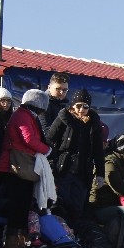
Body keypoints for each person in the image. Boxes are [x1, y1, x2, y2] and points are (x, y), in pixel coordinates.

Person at [0, 89, 52, 248]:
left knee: (22, 205)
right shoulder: (23, 115)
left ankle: (18, 241)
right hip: (14, 167)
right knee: (18, 206)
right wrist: (47, 150)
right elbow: (29, 139)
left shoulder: (24, 114)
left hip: (18, 166)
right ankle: (12, 243)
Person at [46, 88, 105, 225]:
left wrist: (100, 174)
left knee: (78, 206)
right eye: (78, 106)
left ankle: (75, 235)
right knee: (62, 202)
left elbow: (98, 150)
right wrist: (50, 162)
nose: (81, 110)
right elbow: (49, 139)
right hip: (64, 168)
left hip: (83, 170)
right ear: (73, 105)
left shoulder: (94, 123)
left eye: (85, 106)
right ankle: (62, 234)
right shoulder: (63, 118)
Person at [90, 134, 124, 226]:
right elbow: (118, 186)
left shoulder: (121, 162)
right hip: (100, 206)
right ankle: (117, 239)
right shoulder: (109, 163)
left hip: (110, 203)